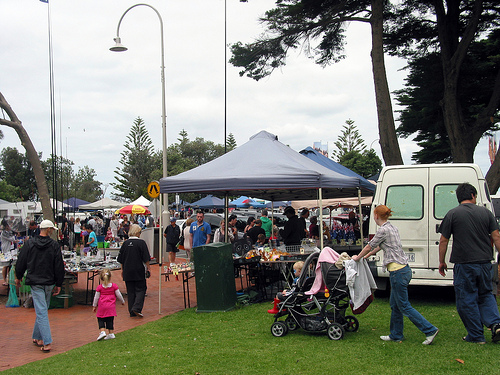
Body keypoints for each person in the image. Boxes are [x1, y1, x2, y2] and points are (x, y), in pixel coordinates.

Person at [352, 205, 439, 345]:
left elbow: (370, 245)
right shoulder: (392, 228)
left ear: (375, 216)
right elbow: (380, 246)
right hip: (403, 270)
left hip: (398, 272)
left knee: (404, 306)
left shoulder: (383, 230)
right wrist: (366, 256)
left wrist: (357, 258)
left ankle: (429, 330)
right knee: (395, 304)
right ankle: (396, 334)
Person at [438, 182, 500, 344]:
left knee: (467, 298)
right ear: (473, 196)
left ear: (459, 198)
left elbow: (444, 240)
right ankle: (496, 324)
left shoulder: (452, 214)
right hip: (485, 262)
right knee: (486, 294)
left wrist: (441, 261)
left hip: (464, 263)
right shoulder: (486, 213)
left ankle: (476, 335)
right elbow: (496, 236)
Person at [15, 220, 65, 353]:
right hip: (48, 281)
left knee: (41, 310)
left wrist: (18, 276)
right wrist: (58, 283)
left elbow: (21, 261)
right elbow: (59, 265)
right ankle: (42, 338)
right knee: (42, 309)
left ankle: (43, 339)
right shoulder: (54, 245)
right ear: (48, 229)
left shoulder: (30, 243)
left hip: (37, 280)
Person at [117, 224, 150, 318]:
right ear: (138, 233)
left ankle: (131, 310)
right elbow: (146, 258)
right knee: (141, 289)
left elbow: (121, 259)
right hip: (138, 270)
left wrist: (122, 270)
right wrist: (148, 268)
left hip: (127, 270)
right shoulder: (141, 243)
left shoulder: (125, 243)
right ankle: (137, 307)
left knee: (130, 291)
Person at [92, 268, 125, 341]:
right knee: (110, 319)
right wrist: (122, 301)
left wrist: (94, 306)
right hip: (111, 307)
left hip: (102, 306)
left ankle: (102, 331)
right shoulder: (114, 286)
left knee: (100, 318)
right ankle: (111, 333)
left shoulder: (99, 287)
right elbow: (119, 295)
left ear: (101, 278)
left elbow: (96, 298)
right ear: (110, 277)